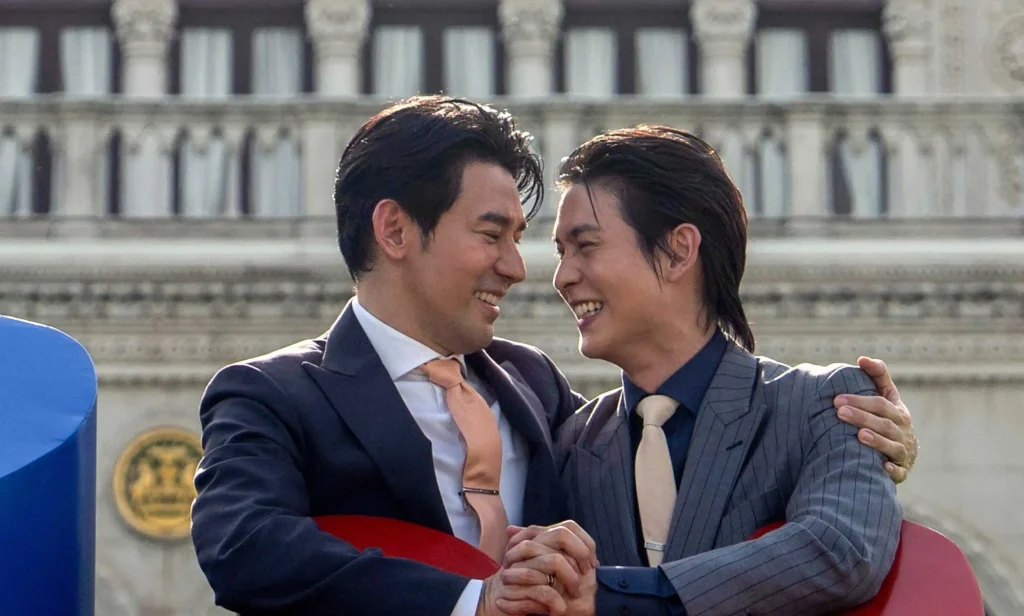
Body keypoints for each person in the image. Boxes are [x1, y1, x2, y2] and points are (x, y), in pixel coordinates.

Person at [190, 97, 917, 616]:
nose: (525, 269)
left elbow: (825, 535)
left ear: (680, 250)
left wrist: (867, 440)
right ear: (395, 229)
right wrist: (473, 602)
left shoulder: (537, 392)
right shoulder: (272, 394)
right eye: (493, 234)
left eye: (573, 246)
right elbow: (244, 544)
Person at [497, 126, 906, 616]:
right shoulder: (574, 445)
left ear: (679, 251)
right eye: (562, 252)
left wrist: (614, 597)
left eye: (585, 246)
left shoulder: (825, 404)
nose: (563, 277)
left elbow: (841, 550)